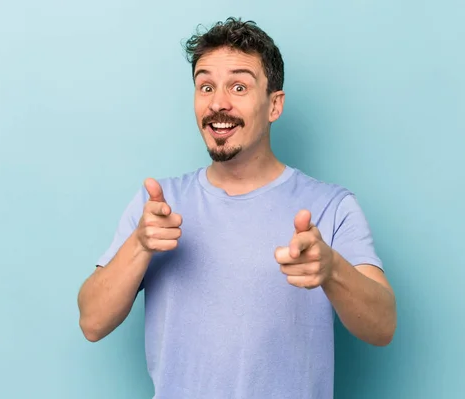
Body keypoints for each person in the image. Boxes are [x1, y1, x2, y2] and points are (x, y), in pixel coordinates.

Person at [77, 17, 396, 399]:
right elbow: (92, 322)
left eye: (239, 86)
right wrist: (140, 245)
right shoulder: (157, 208)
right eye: (206, 86)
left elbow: (382, 327)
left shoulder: (331, 208)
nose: (218, 103)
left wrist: (331, 270)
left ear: (274, 104)